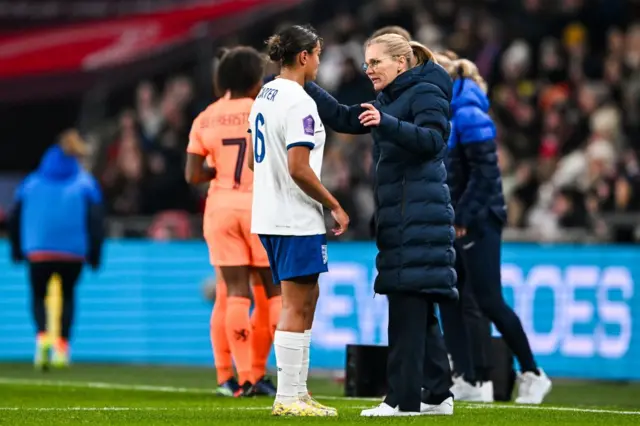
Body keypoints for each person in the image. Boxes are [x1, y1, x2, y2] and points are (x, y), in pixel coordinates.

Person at [303, 34, 458, 416]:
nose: (368, 69)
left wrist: (386, 122)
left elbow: (436, 141)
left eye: (375, 63)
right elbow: (341, 117)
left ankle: (401, 401)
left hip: (419, 216)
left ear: (401, 64)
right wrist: (303, 82)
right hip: (405, 214)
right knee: (416, 307)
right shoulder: (392, 98)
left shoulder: (424, 91)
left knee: (406, 308)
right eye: (367, 62)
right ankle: (437, 394)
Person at [248, 24, 348, 417]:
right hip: (294, 217)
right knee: (295, 303)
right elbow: (299, 168)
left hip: (271, 213)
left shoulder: (265, 95)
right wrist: (334, 204)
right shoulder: (299, 101)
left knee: (307, 298)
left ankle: (296, 390)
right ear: (304, 56)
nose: (320, 63)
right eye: (319, 55)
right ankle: (288, 397)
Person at [439, 58, 552, 405]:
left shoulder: (470, 115)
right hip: (462, 218)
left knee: (488, 299)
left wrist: (463, 216)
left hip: (480, 220)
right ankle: (469, 376)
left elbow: (486, 175)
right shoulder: (456, 114)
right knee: (455, 297)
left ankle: (532, 373)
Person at [185, 46, 281, 397]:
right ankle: (263, 373)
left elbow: (193, 174)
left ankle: (234, 378)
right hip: (261, 208)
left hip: (221, 208)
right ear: (257, 80)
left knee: (231, 294)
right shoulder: (265, 110)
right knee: (273, 294)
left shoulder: (206, 117)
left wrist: (220, 170)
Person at [8, 129, 105, 370]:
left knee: (38, 295)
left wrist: (17, 248)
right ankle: (62, 347)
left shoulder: (31, 182)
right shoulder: (85, 183)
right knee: (68, 296)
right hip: (73, 252)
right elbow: (96, 220)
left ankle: (42, 337)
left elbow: (15, 216)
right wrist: (95, 253)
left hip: (38, 250)